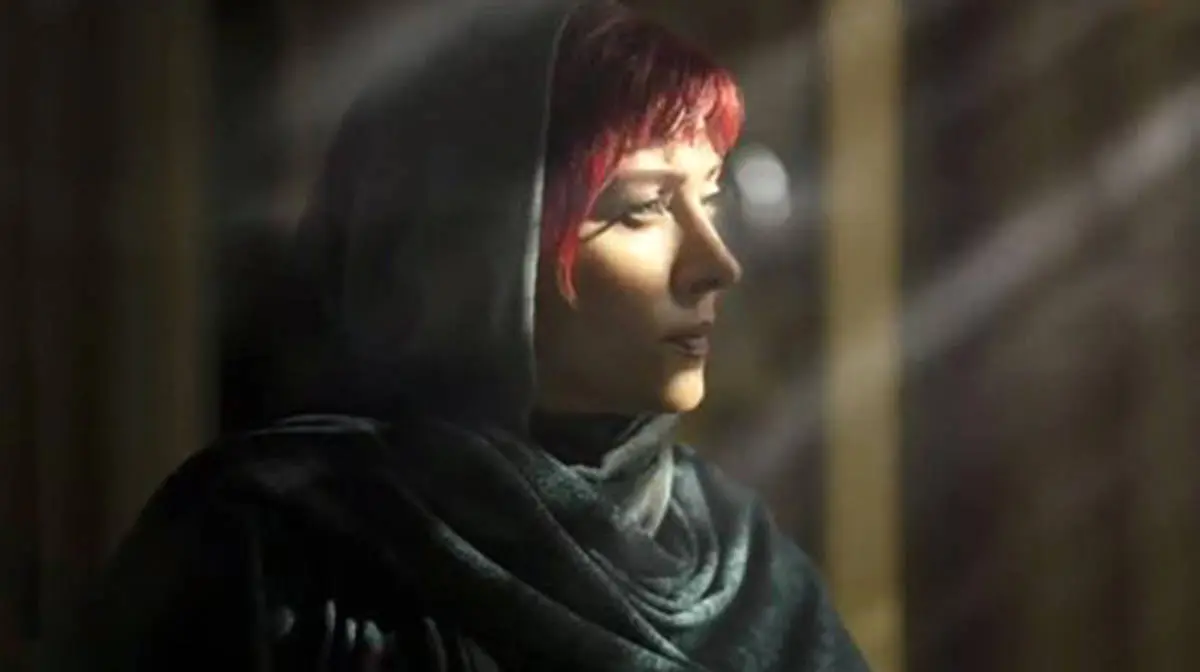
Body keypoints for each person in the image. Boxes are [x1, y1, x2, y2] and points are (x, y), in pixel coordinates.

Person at [40, 1, 869, 670]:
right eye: (644, 207)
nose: (717, 263)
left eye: (710, 196)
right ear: (475, 249)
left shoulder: (749, 573)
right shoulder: (270, 554)